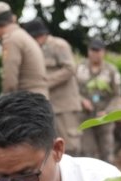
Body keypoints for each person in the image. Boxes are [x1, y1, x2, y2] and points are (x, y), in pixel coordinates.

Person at [25, 19, 83, 156]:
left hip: (65, 105)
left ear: (39, 36)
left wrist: (44, 84)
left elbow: (70, 69)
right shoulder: (36, 50)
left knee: (70, 146)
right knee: (53, 147)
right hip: (49, 105)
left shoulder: (59, 45)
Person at [0, 2, 48, 97]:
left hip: (27, 101)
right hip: (38, 99)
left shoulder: (11, 39)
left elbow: (10, 80)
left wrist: (3, 102)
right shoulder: (22, 35)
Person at [76, 39, 121, 162]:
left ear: (104, 52)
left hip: (105, 117)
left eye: (98, 51)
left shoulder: (111, 70)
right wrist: (82, 100)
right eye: (92, 50)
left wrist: (107, 111)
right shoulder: (80, 68)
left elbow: (117, 95)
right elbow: (72, 89)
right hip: (85, 115)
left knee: (106, 150)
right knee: (86, 151)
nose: (95, 53)